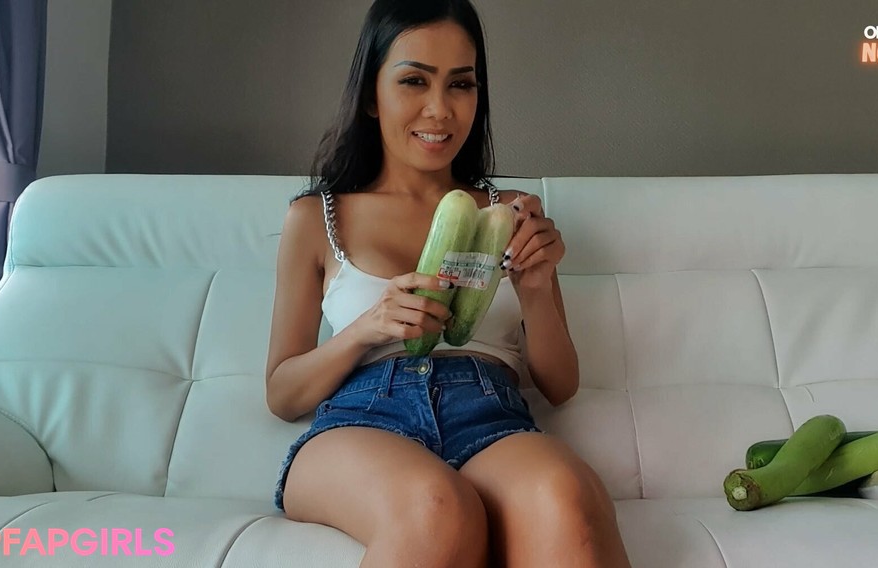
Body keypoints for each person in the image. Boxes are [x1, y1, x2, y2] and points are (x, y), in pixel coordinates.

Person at [265, 1, 632, 566]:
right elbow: (281, 393)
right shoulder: (317, 218)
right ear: (372, 95)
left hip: (490, 415)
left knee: (564, 494)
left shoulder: (511, 212)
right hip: (363, 420)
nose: (440, 109)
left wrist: (535, 287)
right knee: (436, 509)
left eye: (460, 84)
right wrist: (368, 328)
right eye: (414, 80)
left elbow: (560, 386)